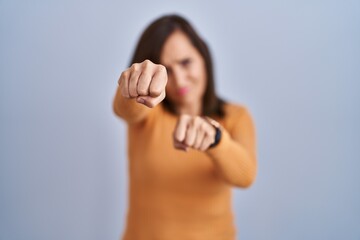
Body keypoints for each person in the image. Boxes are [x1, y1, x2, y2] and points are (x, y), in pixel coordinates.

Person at [113, 14, 257, 240]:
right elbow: (124, 108)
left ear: (203, 56)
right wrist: (134, 87)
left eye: (185, 62)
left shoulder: (235, 117)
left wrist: (216, 140)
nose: (179, 80)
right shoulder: (148, 114)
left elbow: (245, 176)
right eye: (167, 71)